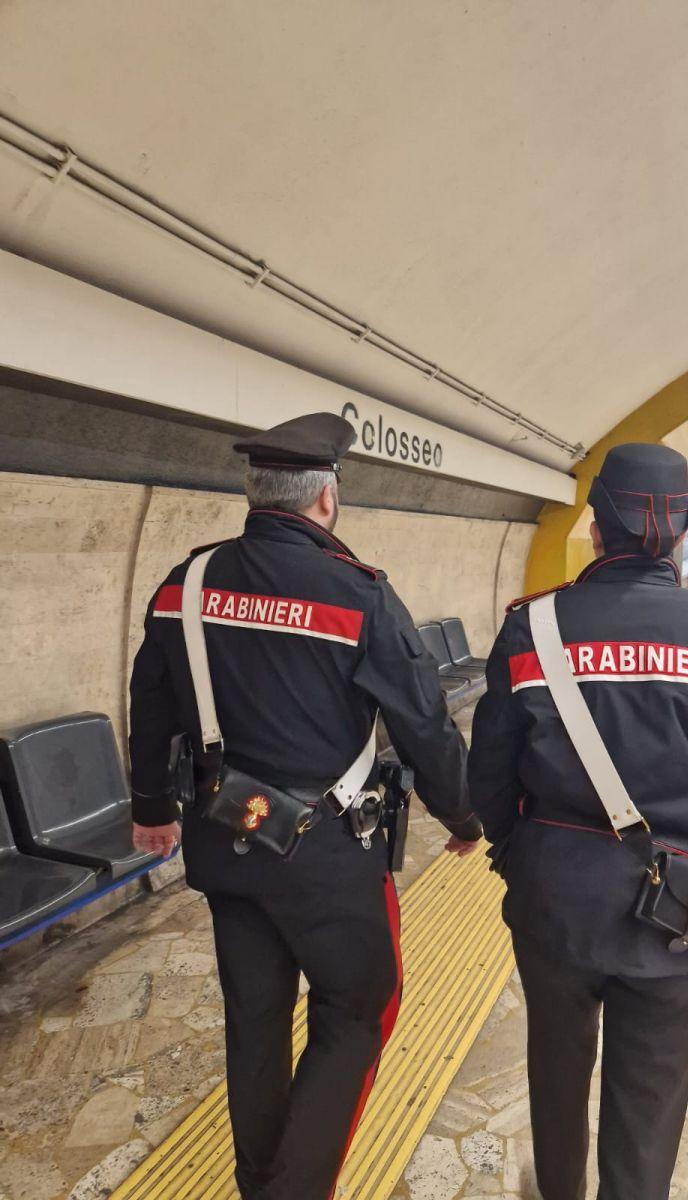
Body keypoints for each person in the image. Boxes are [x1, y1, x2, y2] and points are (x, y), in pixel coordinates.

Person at [129, 411, 482, 1200]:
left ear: (255, 493)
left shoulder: (183, 585)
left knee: (253, 1023)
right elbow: (421, 723)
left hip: (224, 842)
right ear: (327, 499)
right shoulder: (360, 595)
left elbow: (149, 703)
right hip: (328, 858)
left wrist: (152, 804)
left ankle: (262, 1183)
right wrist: (461, 817)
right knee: (356, 1014)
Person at [468, 442, 688, 1200]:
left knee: (556, 1070)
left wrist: (521, 853)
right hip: (681, 909)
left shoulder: (532, 629)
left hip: (556, 901)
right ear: (682, 532)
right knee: (651, 1105)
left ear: (594, 528)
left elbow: (490, 772)